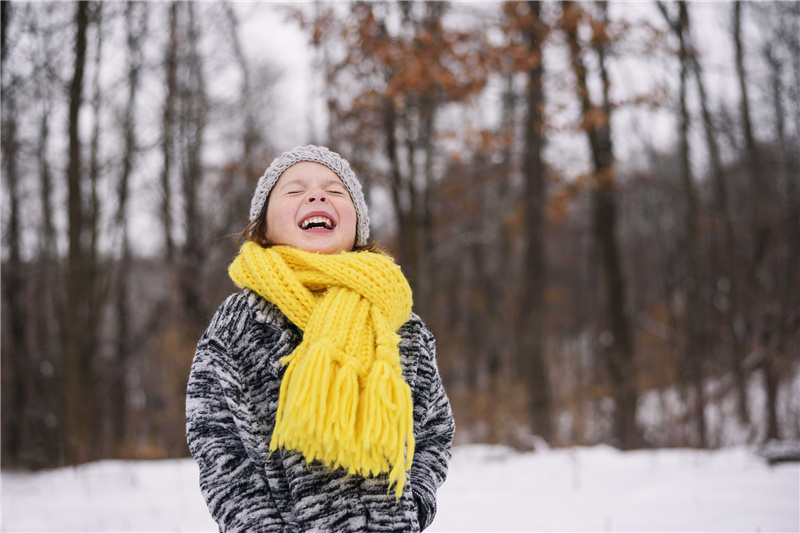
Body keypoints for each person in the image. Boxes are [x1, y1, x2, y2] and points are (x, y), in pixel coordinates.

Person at [186, 145, 455, 533]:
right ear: (262, 229)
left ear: (357, 224)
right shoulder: (241, 321)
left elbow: (434, 429)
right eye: (294, 191)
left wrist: (416, 505)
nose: (316, 195)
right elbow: (214, 437)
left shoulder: (398, 321)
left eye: (335, 190)